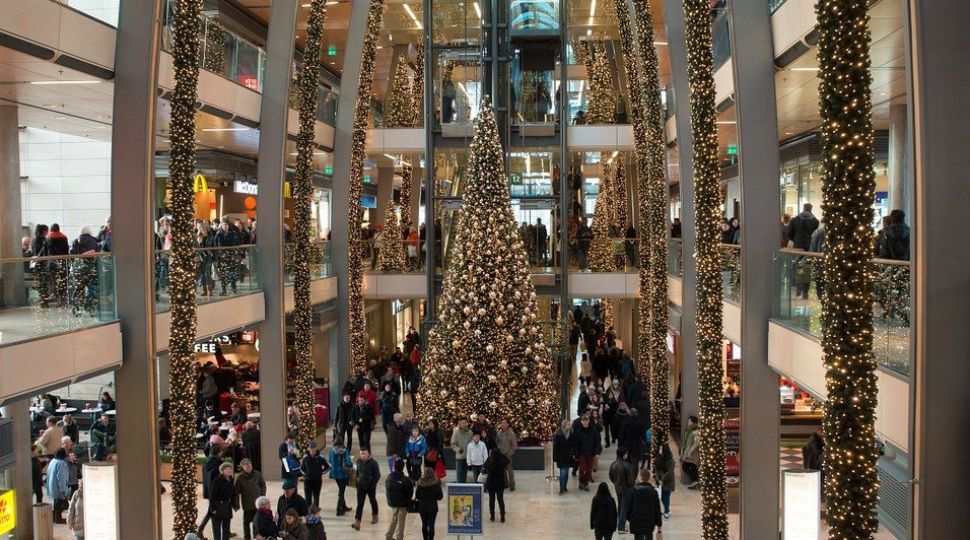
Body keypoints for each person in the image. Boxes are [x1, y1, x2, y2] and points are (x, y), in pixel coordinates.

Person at [234, 458, 266, 540]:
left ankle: (256, 536)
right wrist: (236, 504)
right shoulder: (240, 477)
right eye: (246, 464)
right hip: (247, 503)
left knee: (257, 521)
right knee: (246, 521)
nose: (249, 465)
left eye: (250, 464)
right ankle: (247, 536)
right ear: (243, 467)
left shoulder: (257, 474)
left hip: (258, 502)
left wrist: (262, 496)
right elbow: (236, 492)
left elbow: (263, 485)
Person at [627, 469, 663, 540]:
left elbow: (628, 508)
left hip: (636, 521)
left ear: (640, 478)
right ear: (649, 478)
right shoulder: (654, 492)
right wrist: (659, 524)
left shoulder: (632, 491)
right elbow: (657, 509)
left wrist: (630, 518)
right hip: (649, 521)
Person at [352, 447, 382, 531]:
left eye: (364, 453)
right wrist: (357, 483)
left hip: (370, 487)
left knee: (372, 501)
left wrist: (372, 485)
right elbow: (357, 473)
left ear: (368, 454)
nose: (363, 455)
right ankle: (357, 521)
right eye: (361, 453)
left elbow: (377, 475)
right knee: (360, 504)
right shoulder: (358, 462)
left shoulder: (373, 463)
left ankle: (375, 515)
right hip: (360, 486)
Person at [385, 457, 415, 540]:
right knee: (401, 521)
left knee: (394, 519)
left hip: (393, 503)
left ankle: (388, 536)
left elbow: (387, 489)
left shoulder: (389, 477)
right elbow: (410, 493)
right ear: (403, 467)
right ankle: (399, 537)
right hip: (403, 504)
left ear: (394, 466)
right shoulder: (406, 480)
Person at [609, 447, 637, 533]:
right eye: (626, 453)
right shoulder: (627, 465)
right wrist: (632, 486)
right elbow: (631, 480)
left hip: (617, 488)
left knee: (620, 505)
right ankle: (621, 526)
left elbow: (611, 476)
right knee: (624, 507)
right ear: (624, 454)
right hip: (626, 489)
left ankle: (620, 522)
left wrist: (615, 483)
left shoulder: (613, 464)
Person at [207, 462, 237, 540]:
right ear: (222, 471)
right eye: (227, 469)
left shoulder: (231, 480)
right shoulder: (216, 481)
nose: (229, 470)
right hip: (217, 507)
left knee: (226, 529)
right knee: (217, 530)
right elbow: (212, 496)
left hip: (227, 507)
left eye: (230, 469)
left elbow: (233, 493)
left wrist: (234, 505)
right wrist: (213, 509)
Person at [574, 415, 602, 491]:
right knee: (582, 469)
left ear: (589, 421)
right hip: (581, 453)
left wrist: (597, 452)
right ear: (581, 421)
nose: (585, 422)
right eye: (584, 420)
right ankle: (581, 482)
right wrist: (576, 454)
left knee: (589, 470)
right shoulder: (578, 431)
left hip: (591, 453)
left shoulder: (593, 430)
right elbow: (575, 443)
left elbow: (597, 442)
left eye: (587, 420)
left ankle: (586, 483)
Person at [300, 440, 330, 508]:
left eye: (314, 447)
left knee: (316, 497)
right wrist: (306, 474)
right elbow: (302, 468)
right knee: (308, 498)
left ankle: (316, 513)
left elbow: (327, 467)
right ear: (308, 448)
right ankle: (308, 513)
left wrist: (320, 473)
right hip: (308, 481)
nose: (312, 449)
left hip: (317, 481)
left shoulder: (320, 457)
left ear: (316, 448)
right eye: (311, 448)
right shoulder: (305, 458)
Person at [415, 465, 443, 540]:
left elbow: (417, 496)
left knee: (424, 524)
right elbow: (440, 496)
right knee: (431, 525)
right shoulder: (436, 483)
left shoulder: (420, 482)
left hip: (422, 507)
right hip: (433, 508)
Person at [483, 447, 509, 522]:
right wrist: (502, 455)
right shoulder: (502, 461)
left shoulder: (489, 460)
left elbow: (484, 467)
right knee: (500, 500)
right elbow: (508, 461)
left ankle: (492, 516)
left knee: (491, 500)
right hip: (500, 483)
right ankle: (502, 516)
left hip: (491, 483)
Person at [47, 448, 70, 523]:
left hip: (52, 486)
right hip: (58, 488)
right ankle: (58, 519)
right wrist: (63, 489)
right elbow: (61, 477)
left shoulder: (53, 461)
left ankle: (54, 517)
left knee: (56, 503)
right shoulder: (61, 463)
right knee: (60, 504)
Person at [553, 420, 576, 494]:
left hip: (568, 456)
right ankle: (561, 488)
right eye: (568, 424)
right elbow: (556, 447)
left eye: (570, 424)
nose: (569, 426)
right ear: (564, 425)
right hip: (561, 456)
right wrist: (555, 458)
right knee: (562, 472)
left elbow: (573, 444)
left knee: (566, 472)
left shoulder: (571, 433)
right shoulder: (558, 435)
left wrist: (574, 453)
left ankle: (565, 487)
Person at [495, 420, 518, 491]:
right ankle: (505, 483)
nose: (503, 425)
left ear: (507, 424)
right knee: (502, 471)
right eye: (502, 423)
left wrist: (509, 453)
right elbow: (497, 442)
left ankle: (512, 485)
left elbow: (514, 445)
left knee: (510, 471)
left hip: (508, 455)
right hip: (501, 455)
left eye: (504, 423)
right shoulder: (499, 433)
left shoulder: (511, 434)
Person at [656, 442, 676, 519]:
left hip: (668, 482)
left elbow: (670, 472)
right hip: (661, 480)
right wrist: (658, 479)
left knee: (666, 496)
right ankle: (667, 509)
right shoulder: (659, 458)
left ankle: (666, 511)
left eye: (661, 449)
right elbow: (657, 470)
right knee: (661, 497)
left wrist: (662, 479)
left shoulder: (671, 461)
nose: (659, 450)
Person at [450, 417, 473, 483]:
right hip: (460, 457)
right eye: (462, 423)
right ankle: (459, 486)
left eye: (465, 423)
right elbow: (453, 444)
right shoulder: (456, 432)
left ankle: (464, 487)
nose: (464, 424)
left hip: (467, 457)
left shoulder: (470, 433)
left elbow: (472, 444)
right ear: (460, 423)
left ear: (467, 423)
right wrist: (458, 450)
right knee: (459, 474)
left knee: (465, 473)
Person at [681, 415, 701, 488]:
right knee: (688, 467)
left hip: (692, 454)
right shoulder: (689, 430)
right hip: (688, 453)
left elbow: (697, 443)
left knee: (688, 467)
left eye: (689, 421)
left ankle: (695, 481)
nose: (688, 422)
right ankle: (694, 481)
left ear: (692, 422)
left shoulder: (696, 431)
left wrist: (691, 451)